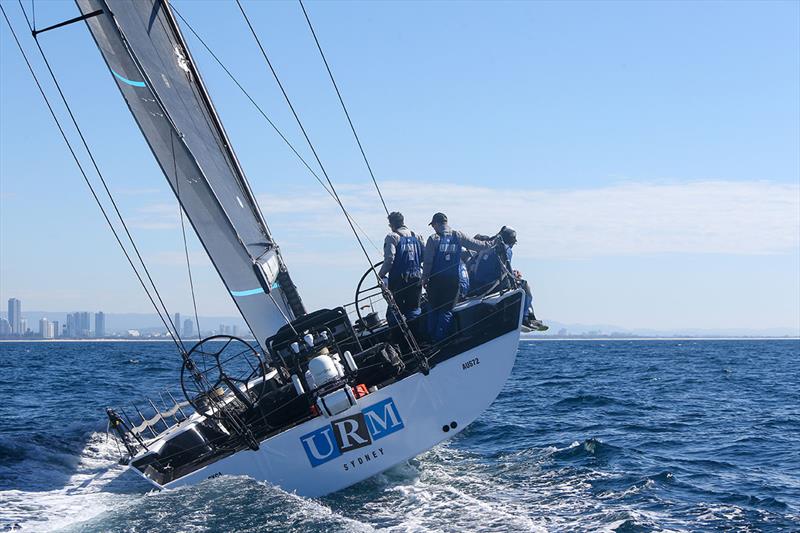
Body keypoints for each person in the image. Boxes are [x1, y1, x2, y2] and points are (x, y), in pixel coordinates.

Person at [422, 212, 494, 342]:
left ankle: (431, 338)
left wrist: (425, 278)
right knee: (446, 310)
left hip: (436, 280)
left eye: (433, 225)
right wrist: (493, 243)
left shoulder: (433, 239)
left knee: (433, 309)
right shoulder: (458, 235)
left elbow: (428, 262)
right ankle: (440, 339)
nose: (433, 228)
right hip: (452, 281)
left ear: (437, 224)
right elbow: (478, 245)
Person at [472, 226, 547, 331]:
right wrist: (515, 276)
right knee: (524, 285)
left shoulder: (487, 247)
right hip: (490, 286)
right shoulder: (505, 249)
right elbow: (505, 271)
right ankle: (526, 317)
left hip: (477, 286)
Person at [378, 212, 424, 329]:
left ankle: (400, 342)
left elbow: (389, 259)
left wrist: (381, 274)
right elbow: (424, 256)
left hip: (399, 280)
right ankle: (418, 336)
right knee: (414, 309)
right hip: (417, 277)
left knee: (394, 311)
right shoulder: (417, 236)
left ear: (392, 224)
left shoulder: (392, 237)